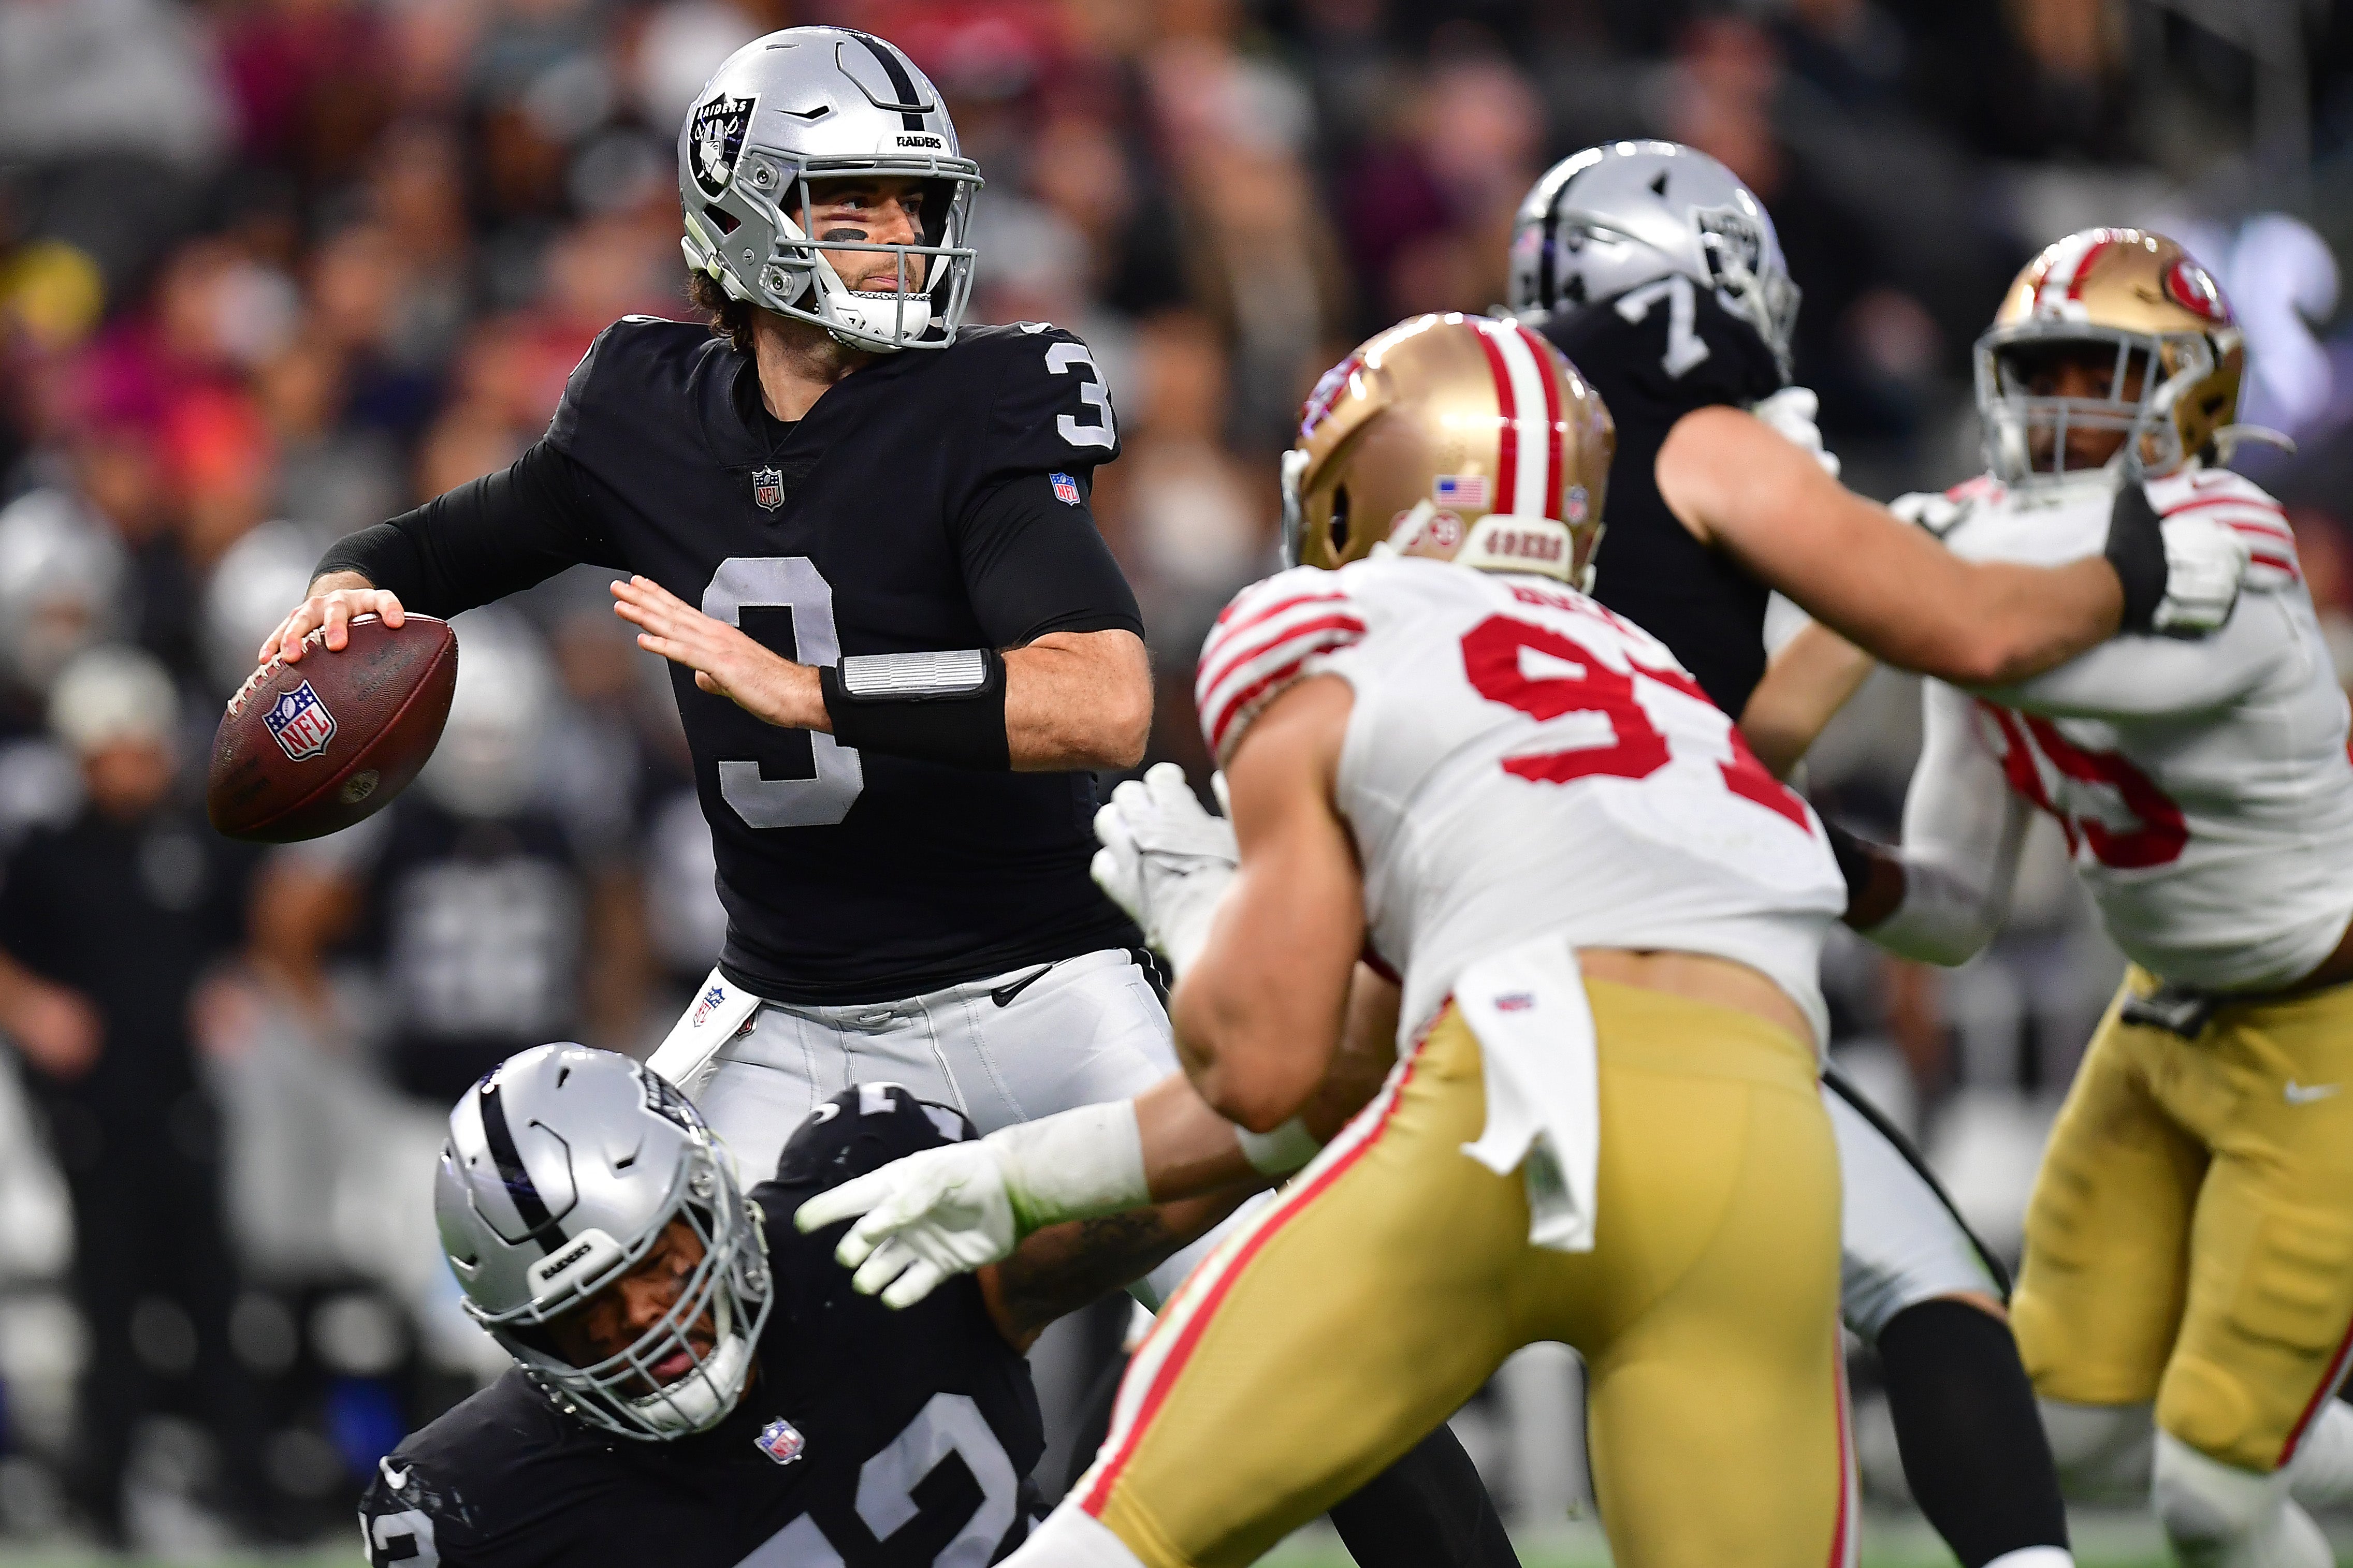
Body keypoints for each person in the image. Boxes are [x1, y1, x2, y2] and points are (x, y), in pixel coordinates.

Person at [278, 25, 1510, 1562]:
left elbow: (1107, 697)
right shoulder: (635, 407)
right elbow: (436, 551)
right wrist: (341, 595)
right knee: (609, 1347)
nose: (902, 238)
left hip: (1043, 983)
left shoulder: (986, 399)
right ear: (741, 216)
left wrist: (822, 691)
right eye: (856, 202)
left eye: (915, 205)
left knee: (1294, 1324)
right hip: (791, 1007)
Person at [801, 313, 1860, 1565]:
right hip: (1761, 1143)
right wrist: (1011, 1183)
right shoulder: (1662, 686)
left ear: (1362, 487)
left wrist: (1197, 907)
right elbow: (1341, 1078)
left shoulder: (1324, 626)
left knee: (1120, 1539)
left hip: (1501, 1108)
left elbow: (1265, 1070)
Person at [1495, 144, 2275, 1568]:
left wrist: (1865, 601)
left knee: (1317, 1387)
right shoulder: (1709, 442)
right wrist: (2122, 566)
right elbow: (1978, 634)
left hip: (1452, 995)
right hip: (1651, 994)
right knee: (1938, 1298)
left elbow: (1738, 745)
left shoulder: (1472, 438)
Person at [1823, 228, 2353, 1568]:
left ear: (2194, 395)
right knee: (2066, 1426)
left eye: (2098, 373)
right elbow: (1949, 907)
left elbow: (2013, 646)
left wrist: (1902, 581)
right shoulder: (1980, 580)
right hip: (2160, 1021)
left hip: (2325, 1032)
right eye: (2037, 371)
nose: (2058, 408)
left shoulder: (2226, 536)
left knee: (2210, 1494)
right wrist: (1807, 850)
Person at [359, 1046, 1243, 1568]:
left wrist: (1289, 1099)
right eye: (583, 1316)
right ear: (523, 1342)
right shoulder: (473, 1502)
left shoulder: (857, 1221)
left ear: (709, 1200)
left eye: (659, 1263)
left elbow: (1155, 1202)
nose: (643, 1321)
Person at [0, 647, 269, 1542]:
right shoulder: (46, 851)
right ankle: (104, 1496)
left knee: (214, 1300)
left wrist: (229, 986)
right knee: (109, 1306)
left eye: (144, 744)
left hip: (186, 1098)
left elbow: (241, 937)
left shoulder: (194, 838)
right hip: (94, 1110)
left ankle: (246, 1487)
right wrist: (32, 1006)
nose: (135, 761)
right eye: (118, 745)